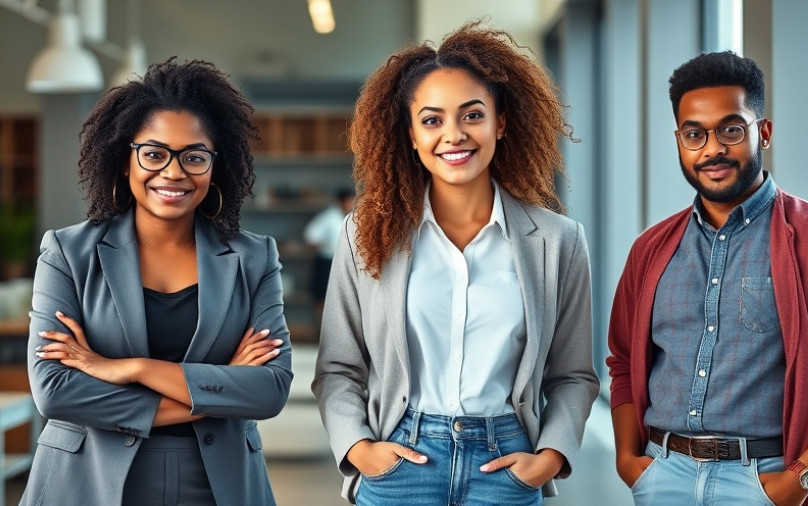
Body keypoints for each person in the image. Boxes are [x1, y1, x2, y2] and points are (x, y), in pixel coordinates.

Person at [312, 22, 600, 505]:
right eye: (432, 120)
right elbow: (339, 367)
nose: (454, 135)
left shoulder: (558, 240)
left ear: (500, 123)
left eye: (472, 115)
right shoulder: (364, 234)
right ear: (409, 133)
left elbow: (573, 374)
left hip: (506, 463)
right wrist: (358, 448)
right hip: (399, 461)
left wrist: (549, 456)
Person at [606, 50, 808, 506]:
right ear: (679, 140)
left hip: (766, 480)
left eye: (731, 129)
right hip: (662, 475)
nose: (712, 148)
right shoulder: (649, 250)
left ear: (763, 132)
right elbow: (623, 362)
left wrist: (799, 480)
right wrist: (628, 459)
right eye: (694, 134)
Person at [22, 59, 293, 505]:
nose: (173, 172)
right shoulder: (69, 253)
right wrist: (220, 389)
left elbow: (270, 389)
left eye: (194, 156)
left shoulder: (254, 256)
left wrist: (131, 369)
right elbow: (55, 390)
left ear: (214, 166)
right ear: (123, 159)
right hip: (87, 480)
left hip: (219, 484)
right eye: (153, 153)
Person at [303, 187, 355, 323]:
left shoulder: (352, 217)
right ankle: (322, 330)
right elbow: (310, 237)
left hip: (345, 263)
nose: (352, 204)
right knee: (322, 297)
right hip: (327, 262)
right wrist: (328, 247)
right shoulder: (328, 217)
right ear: (341, 201)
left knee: (343, 298)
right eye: (350, 201)